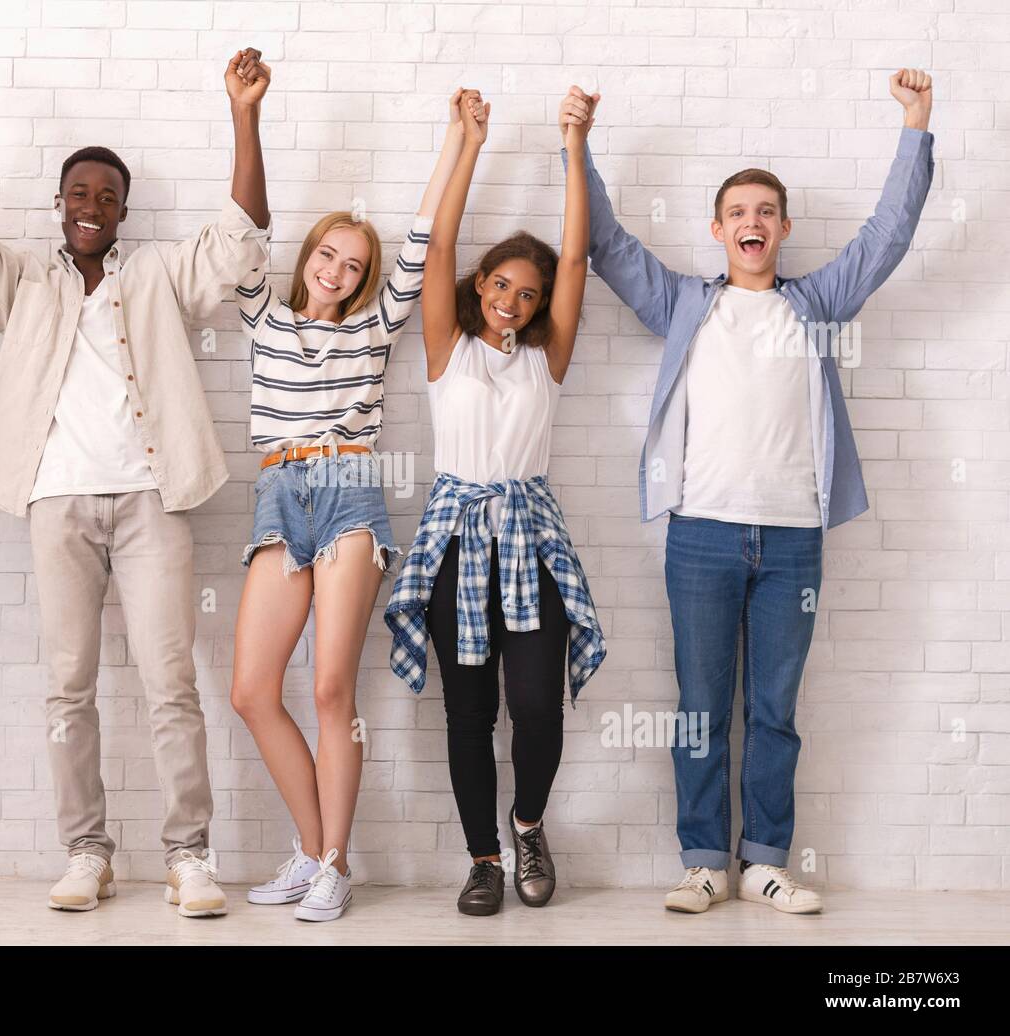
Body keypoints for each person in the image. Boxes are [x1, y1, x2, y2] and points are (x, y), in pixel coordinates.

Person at [559, 69, 935, 914]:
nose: (752, 222)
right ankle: (704, 861)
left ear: (784, 228)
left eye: (766, 210)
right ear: (718, 230)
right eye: (738, 212)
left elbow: (886, 235)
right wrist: (577, 143)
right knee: (700, 707)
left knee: (774, 709)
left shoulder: (816, 302)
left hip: (795, 536)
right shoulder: (687, 304)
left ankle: (764, 858)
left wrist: (915, 125)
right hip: (700, 535)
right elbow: (609, 243)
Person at [0, 48, 272, 917]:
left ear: (123, 212)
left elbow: (239, 241)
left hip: (154, 503)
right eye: (79, 193)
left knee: (171, 683)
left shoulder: (155, 274)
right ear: (60, 204)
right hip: (57, 503)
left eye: (107, 197)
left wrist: (244, 115)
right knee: (67, 685)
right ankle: (87, 851)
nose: (92, 207)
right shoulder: (26, 279)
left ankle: (189, 856)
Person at [230, 90, 471, 922]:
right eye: (328, 256)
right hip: (276, 494)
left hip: (347, 492)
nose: (338, 272)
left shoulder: (375, 329)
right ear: (308, 258)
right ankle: (310, 849)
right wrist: (249, 117)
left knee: (332, 688)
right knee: (252, 690)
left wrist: (455, 137)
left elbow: (422, 238)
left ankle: (336, 864)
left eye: (353, 266)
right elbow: (243, 226)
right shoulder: (262, 313)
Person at [386, 90, 606, 917]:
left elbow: (577, 259)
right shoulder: (449, 349)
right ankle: (483, 858)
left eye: (528, 293)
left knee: (538, 709)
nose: (513, 301)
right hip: (453, 535)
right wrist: (467, 141)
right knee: (468, 712)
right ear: (483, 284)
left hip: (529, 535)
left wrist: (573, 143)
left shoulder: (546, 363)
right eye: (502, 285)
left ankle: (528, 824)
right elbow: (438, 242)